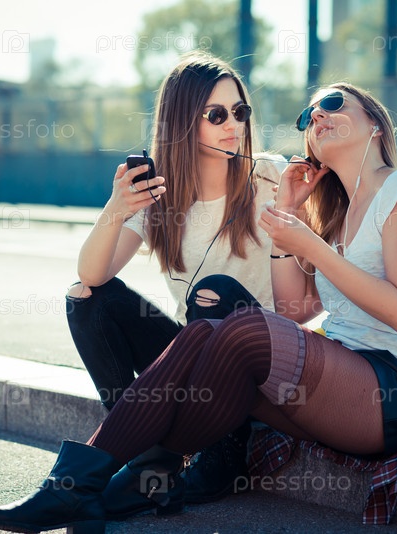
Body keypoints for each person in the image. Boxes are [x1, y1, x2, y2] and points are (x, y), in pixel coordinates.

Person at [0, 82, 397, 533]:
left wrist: (310, 244)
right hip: (344, 391)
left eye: (331, 104)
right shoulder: (337, 213)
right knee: (204, 332)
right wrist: (290, 215)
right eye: (307, 115)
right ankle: (84, 488)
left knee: (234, 327)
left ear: (376, 123)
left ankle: (84, 484)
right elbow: (295, 307)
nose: (316, 116)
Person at [64, 52, 285, 518]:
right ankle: (149, 461)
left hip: (257, 361)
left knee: (214, 294)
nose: (234, 125)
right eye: (216, 114)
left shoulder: (269, 176)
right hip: (195, 362)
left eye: (240, 111)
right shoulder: (161, 197)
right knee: (87, 299)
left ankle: (226, 453)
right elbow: (91, 275)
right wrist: (117, 208)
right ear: (183, 122)